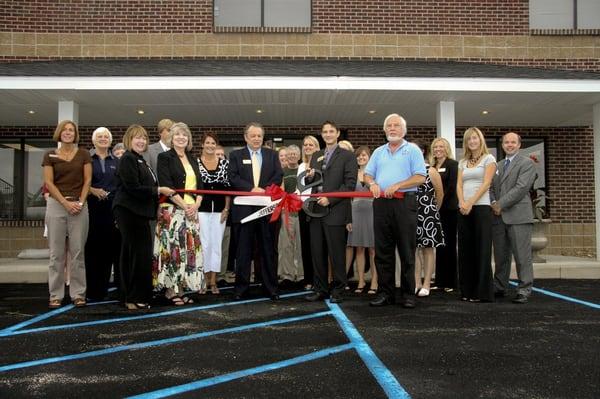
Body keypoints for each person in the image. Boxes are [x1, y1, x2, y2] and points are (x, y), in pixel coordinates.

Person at [364, 114, 426, 308]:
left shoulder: (413, 150)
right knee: (382, 251)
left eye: (396, 125)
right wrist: (372, 183)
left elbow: (420, 177)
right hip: (381, 203)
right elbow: (367, 174)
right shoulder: (378, 152)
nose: (392, 128)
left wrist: (398, 185)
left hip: (404, 204)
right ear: (384, 130)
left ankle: (408, 294)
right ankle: (386, 293)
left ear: (403, 130)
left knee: (407, 251)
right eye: (389, 126)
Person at [113, 125, 174, 310]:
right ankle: (131, 297)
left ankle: (138, 295)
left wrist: (155, 204)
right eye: (137, 138)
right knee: (134, 256)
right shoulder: (128, 159)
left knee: (140, 255)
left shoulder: (140, 160)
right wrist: (158, 190)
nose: (141, 141)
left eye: (144, 138)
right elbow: (132, 187)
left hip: (141, 213)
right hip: (129, 212)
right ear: (129, 140)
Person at [228, 122, 283, 300]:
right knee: (243, 251)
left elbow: (278, 175)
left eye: (259, 135)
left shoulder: (272, 155)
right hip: (243, 211)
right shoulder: (236, 155)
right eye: (253, 136)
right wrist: (251, 188)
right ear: (246, 137)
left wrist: (265, 189)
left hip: (266, 210)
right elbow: (232, 177)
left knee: (268, 250)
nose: (257, 139)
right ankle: (241, 289)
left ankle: (271, 288)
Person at [305, 121, 358, 303]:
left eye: (331, 131)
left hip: (335, 210)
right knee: (317, 253)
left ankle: (338, 290)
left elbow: (349, 185)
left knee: (336, 254)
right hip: (315, 210)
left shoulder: (348, 156)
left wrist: (331, 199)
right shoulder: (316, 155)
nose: (328, 134)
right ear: (322, 134)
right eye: (325, 132)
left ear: (337, 134)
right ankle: (320, 289)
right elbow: (311, 183)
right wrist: (309, 177)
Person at [42, 120, 92, 309]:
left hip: (79, 205)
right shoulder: (50, 155)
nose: (68, 133)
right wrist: (64, 203)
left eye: (71, 130)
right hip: (56, 205)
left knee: (77, 252)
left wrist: (79, 202)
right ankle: (55, 294)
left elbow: (88, 180)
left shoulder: (83, 154)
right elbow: (49, 182)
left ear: (75, 134)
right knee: (56, 254)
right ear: (59, 133)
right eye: (65, 130)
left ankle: (78, 294)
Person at [154, 122, 204, 304]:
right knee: (172, 251)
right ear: (171, 138)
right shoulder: (164, 157)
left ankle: (181, 289)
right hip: (173, 211)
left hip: (191, 211)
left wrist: (195, 206)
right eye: (177, 135)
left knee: (188, 251)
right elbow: (167, 185)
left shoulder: (193, 159)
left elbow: (201, 187)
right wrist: (185, 206)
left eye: (185, 134)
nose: (181, 137)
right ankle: (170, 290)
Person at [491, 132, 537, 304]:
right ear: (502, 145)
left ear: (519, 145)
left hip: (518, 216)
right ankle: (500, 286)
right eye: (506, 142)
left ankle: (524, 288)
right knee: (501, 255)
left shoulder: (527, 163)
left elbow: (521, 188)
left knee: (522, 256)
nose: (509, 145)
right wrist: (493, 202)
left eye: (513, 142)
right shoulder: (498, 165)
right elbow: (490, 187)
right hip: (499, 217)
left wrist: (499, 204)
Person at [457, 127, 497, 303]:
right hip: (464, 209)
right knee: (466, 251)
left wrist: (471, 202)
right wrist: (462, 203)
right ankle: (468, 291)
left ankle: (482, 293)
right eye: (468, 139)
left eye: (475, 138)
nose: (472, 141)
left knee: (482, 250)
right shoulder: (463, 162)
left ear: (480, 140)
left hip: (481, 208)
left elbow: (486, 184)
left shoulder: (489, 159)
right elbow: (459, 185)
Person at [85, 127, 120, 302]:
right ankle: (93, 290)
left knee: (109, 249)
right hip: (92, 209)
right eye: (100, 136)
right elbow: (80, 181)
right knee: (92, 250)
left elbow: (121, 185)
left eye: (106, 137)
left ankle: (105, 288)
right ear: (94, 140)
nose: (103, 139)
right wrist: (92, 190)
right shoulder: (87, 159)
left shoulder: (117, 161)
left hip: (112, 210)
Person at [198, 132, 231, 295]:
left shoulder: (224, 164)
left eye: (213, 143)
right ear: (202, 145)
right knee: (204, 244)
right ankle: (203, 280)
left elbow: (227, 189)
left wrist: (226, 208)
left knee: (216, 244)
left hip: (219, 209)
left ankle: (213, 281)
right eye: (208, 143)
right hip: (201, 209)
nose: (210, 145)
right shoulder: (195, 163)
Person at [413, 139, 445, 298]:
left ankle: (426, 284)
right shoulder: (408, 171)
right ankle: (416, 282)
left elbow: (440, 194)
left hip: (428, 214)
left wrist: (433, 211)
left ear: (423, 151)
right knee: (413, 250)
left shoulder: (430, 170)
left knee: (427, 249)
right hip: (410, 214)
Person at [346, 146, 377, 295]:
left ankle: (375, 281)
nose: (361, 158)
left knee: (373, 249)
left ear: (369, 157)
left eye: (364, 155)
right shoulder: (352, 174)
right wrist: (348, 219)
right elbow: (347, 197)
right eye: (358, 156)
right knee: (358, 248)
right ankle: (361, 281)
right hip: (355, 211)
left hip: (372, 211)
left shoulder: (375, 173)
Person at [431, 138, 459, 293]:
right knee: (439, 245)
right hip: (436, 211)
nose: (438, 149)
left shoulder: (453, 165)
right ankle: (440, 280)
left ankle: (451, 281)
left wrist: (439, 203)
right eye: (435, 147)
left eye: (441, 146)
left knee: (448, 245)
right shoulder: (433, 166)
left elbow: (451, 188)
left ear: (446, 148)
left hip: (449, 210)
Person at [297, 135, 320, 290]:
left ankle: (320, 279)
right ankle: (308, 279)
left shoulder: (322, 163)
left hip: (318, 208)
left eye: (311, 144)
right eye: (305, 145)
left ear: (317, 147)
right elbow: (299, 188)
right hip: (303, 208)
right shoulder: (301, 166)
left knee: (317, 245)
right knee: (305, 245)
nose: (308, 147)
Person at [278, 144, 303, 285]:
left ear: (299, 156)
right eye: (290, 154)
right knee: (286, 245)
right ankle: (287, 274)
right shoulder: (282, 172)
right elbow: (280, 191)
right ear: (286, 156)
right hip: (286, 212)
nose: (292, 156)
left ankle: (300, 274)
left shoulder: (303, 170)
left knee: (300, 245)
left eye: (295, 153)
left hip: (301, 213)